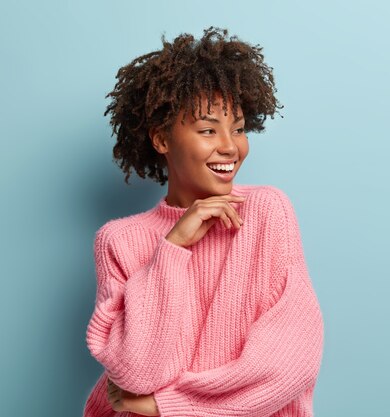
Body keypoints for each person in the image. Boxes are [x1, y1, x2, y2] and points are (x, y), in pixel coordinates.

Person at [83, 27, 324, 417]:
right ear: (161, 139)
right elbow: (139, 373)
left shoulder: (266, 213)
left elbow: (290, 362)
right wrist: (173, 248)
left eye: (239, 128)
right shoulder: (119, 241)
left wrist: (167, 406)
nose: (230, 146)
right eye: (208, 129)